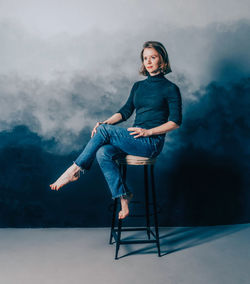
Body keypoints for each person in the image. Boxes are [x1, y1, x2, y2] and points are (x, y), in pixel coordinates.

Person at [50, 41, 182, 220]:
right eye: (145, 58)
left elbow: (175, 122)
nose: (148, 62)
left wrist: (148, 132)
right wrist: (104, 123)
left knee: (104, 132)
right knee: (103, 152)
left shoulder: (171, 89)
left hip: (151, 142)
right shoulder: (138, 87)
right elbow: (125, 112)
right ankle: (124, 197)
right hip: (134, 139)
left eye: (153, 57)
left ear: (162, 60)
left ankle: (74, 170)